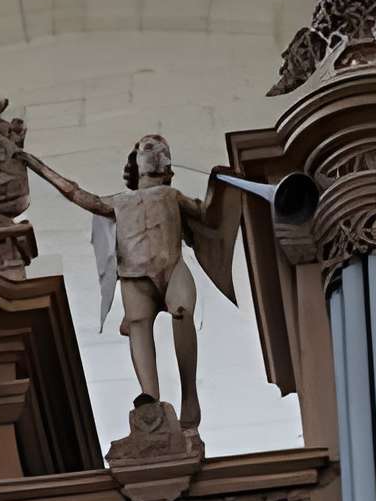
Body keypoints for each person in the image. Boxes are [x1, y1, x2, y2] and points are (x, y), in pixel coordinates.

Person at [21, 133, 238, 430]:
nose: (154, 152)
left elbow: (208, 215)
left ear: (167, 163)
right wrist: (36, 165)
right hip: (135, 276)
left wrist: (222, 184)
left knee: (182, 311)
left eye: (161, 149)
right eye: (147, 148)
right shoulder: (120, 202)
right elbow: (77, 194)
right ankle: (151, 398)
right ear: (135, 162)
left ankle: (190, 394)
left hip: (171, 267)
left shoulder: (170, 195)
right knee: (139, 326)